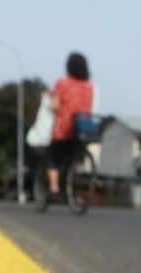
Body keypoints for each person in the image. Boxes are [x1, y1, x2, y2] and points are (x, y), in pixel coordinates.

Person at [46, 52, 95, 198]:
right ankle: (70, 185)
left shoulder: (63, 82)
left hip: (63, 129)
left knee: (53, 158)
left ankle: (54, 187)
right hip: (80, 129)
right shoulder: (89, 87)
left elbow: (55, 105)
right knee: (72, 157)